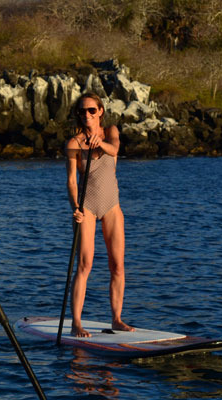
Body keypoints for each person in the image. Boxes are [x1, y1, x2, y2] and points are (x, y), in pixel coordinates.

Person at [65, 92, 134, 337]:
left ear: (100, 111)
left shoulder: (111, 132)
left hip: (112, 207)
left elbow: (114, 151)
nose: (87, 115)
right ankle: (76, 323)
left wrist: (99, 143)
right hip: (88, 208)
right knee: (85, 265)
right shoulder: (74, 143)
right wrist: (75, 207)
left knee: (117, 266)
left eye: (92, 110)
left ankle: (116, 319)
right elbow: (72, 182)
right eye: (83, 111)